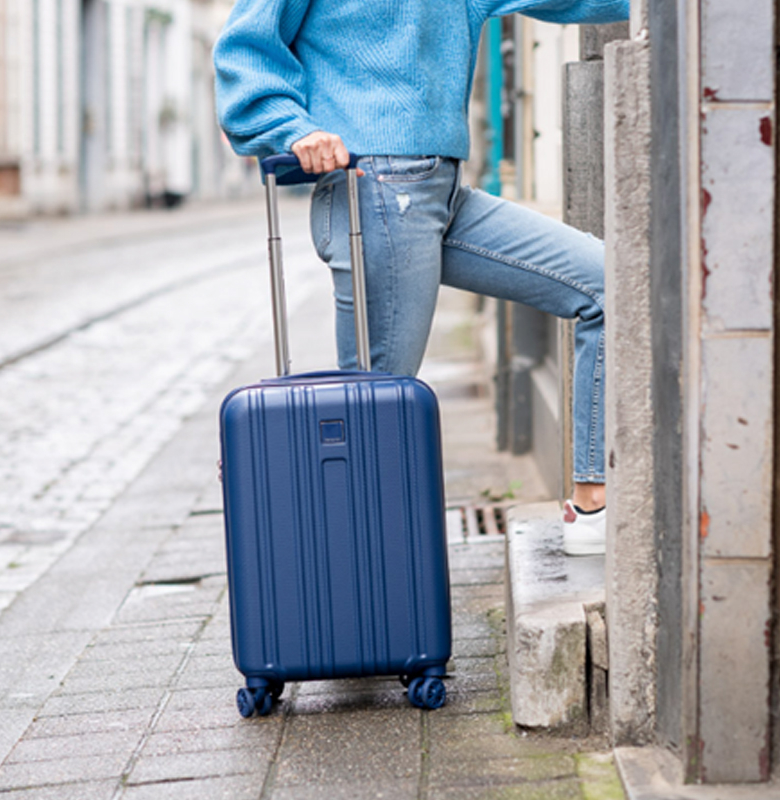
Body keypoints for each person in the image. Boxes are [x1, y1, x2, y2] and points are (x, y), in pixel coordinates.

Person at [213, 0, 630, 555]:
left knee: (605, 280)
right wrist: (292, 129)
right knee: (377, 411)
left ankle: (592, 506)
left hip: (445, 191)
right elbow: (245, 49)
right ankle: (353, 574)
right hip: (371, 190)